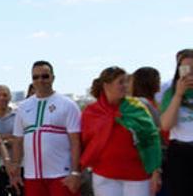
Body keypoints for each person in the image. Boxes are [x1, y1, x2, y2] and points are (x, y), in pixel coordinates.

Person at [81, 67, 161, 196]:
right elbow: (85, 142)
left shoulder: (137, 107)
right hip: (104, 176)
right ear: (106, 85)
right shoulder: (91, 112)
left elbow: (151, 139)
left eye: (127, 82)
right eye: (121, 82)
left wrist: (156, 171)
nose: (125, 86)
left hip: (137, 176)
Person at [9, 60, 82, 196]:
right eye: (35, 77)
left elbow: (76, 142)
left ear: (53, 78)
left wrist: (75, 172)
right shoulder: (23, 107)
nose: (40, 80)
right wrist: (15, 168)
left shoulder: (68, 105)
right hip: (32, 176)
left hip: (62, 175)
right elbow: (18, 141)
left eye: (45, 76)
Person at [160, 49, 193, 195]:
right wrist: (178, 95)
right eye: (186, 68)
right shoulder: (171, 92)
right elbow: (166, 125)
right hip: (180, 151)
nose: (190, 73)